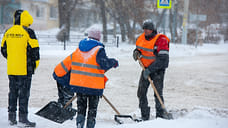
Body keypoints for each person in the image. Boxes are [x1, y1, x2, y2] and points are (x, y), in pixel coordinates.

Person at [55, 28, 118, 128]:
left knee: (81, 108)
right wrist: (113, 62)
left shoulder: (79, 49)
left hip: (79, 85)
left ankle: (79, 125)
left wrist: (60, 77)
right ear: (98, 38)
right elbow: (104, 64)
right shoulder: (99, 49)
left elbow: (68, 64)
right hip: (94, 87)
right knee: (92, 109)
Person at [1, 10, 40, 127]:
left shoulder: (8, 31)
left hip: (12, 69)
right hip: (25, 69)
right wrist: (33, 65)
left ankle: (11, 117)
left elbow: (3, 49)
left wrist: (12, 59)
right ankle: (23, 119)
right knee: (24, 94)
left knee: (12, 92)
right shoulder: (28, 32)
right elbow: (35, 51)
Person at [133, 19, 172, 120]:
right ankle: (144, 115)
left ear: (153, 29)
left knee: (157, 93)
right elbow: (140, 49)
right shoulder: (141, 38)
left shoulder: (161, 40)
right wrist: (136, 52)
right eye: (144, 29)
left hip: (158, 70)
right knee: (141, 92)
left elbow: (163, 60)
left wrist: (150, 70)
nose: (146, 31)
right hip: (145, 68)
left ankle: (160, 115)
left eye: (148, 29)